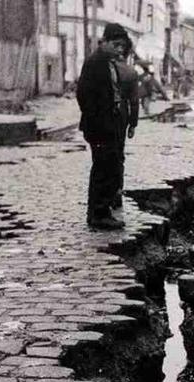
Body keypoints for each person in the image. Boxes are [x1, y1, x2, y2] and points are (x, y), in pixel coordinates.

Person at [76, 23, 130, 230]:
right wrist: (98, 121)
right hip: (99, 128)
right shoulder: (95, 62)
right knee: (103, 170)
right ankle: (98, 214)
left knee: (110, 168)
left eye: (121, 46)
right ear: (105, 41)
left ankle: (101, 211)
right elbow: (83, 95)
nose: (119, 50)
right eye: (116, 45)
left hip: (108, 126)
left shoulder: (107, 61)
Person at [113, 38, 139, 209]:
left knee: (102, 157)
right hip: (121, 114)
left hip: (104, 114)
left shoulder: (106, 68)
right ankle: (117, 193)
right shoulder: (131, 72)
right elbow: (134, 101)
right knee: (118, 155)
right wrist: (133, 124)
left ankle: (103, 196)